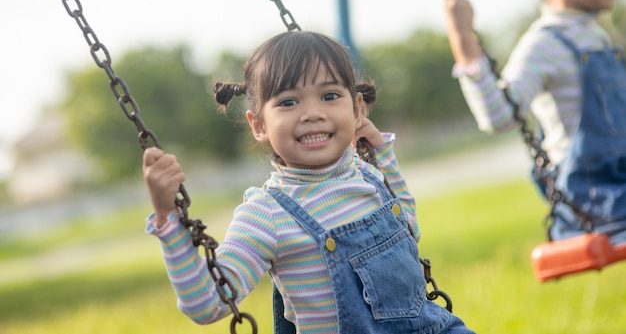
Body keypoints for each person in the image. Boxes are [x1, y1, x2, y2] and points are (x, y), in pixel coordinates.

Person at [142, 30, 475, 333]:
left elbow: (410, 234)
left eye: (330, 96)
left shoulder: (368, 174)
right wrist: (168, 220)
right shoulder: (267, 213)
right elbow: (209, 303)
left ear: (357, 109)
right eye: (288, 102)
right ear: (259, 125)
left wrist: (381, 155)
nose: (313, 112)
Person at [444, 0, 626, 244]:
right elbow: (499, 117)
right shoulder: (544, 44)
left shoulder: (596, 34)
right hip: (594, 198)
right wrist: (463, 41)